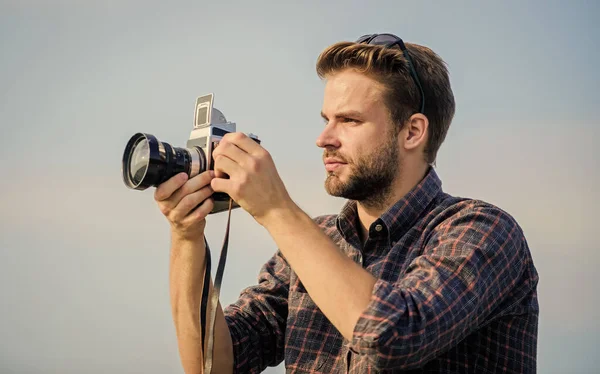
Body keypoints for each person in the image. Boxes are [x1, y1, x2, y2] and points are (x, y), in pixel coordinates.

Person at [154, 33, 539, 373]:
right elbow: (215, 364)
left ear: (413, 131)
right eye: (326, 119)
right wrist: (186, 235)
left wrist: (276, 210)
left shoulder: (481, 231)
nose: (324, 138)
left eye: (350, 121)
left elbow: (392, 338)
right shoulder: (313, 243)